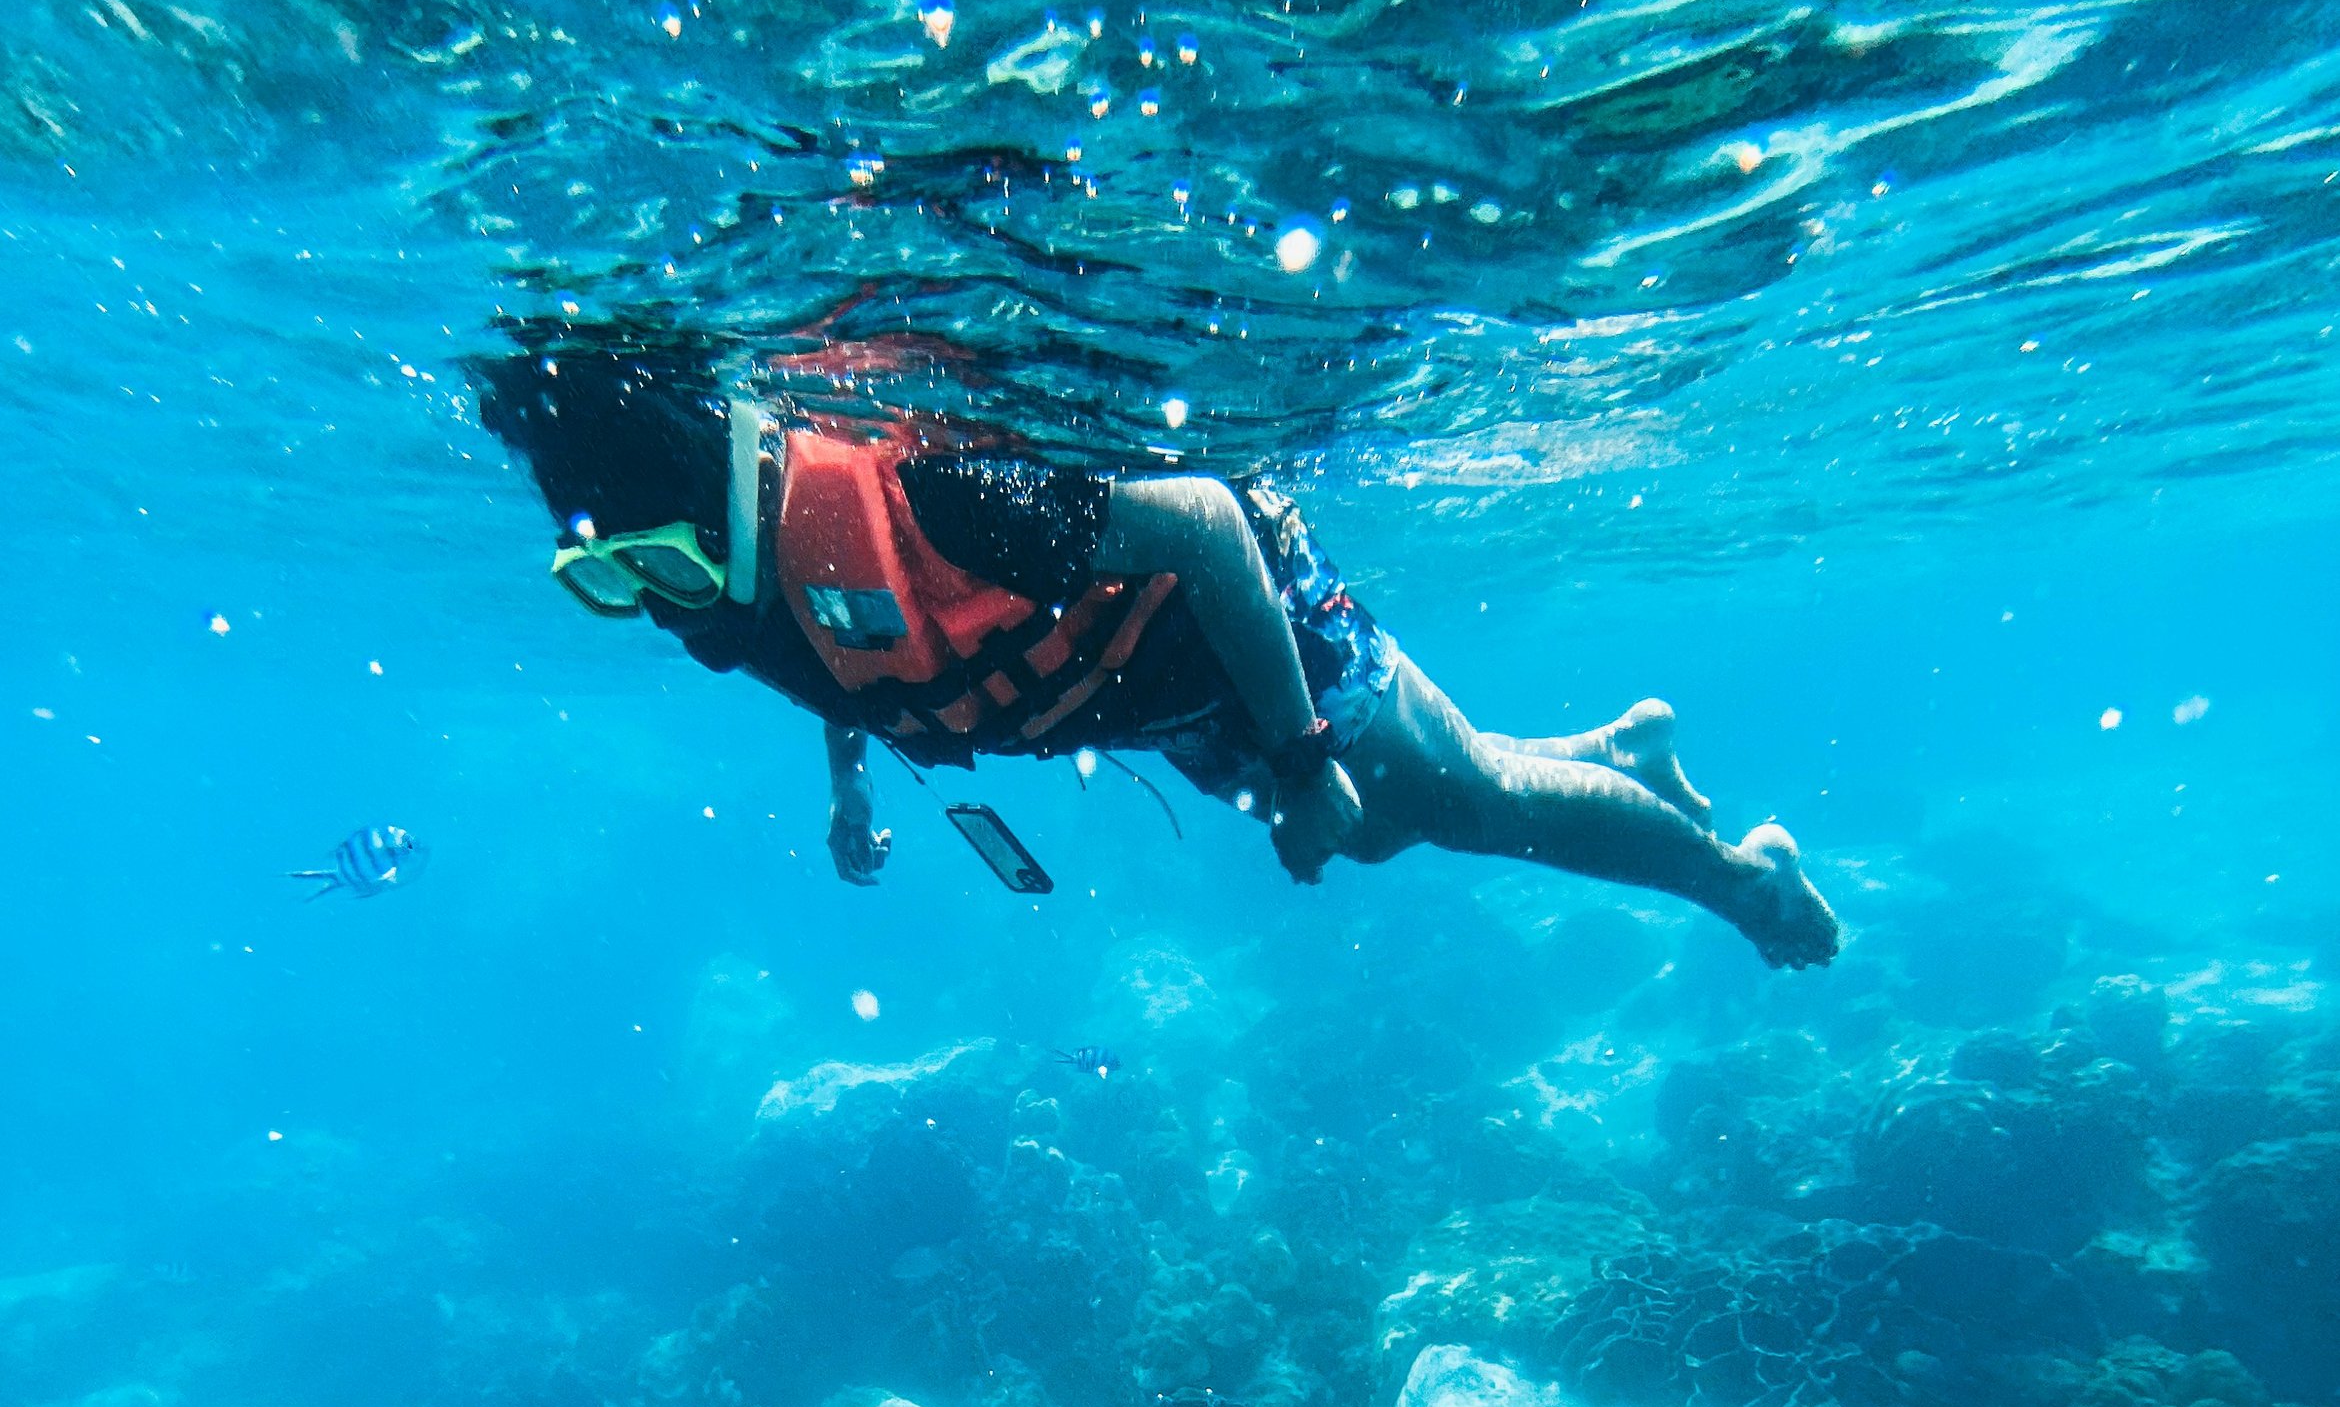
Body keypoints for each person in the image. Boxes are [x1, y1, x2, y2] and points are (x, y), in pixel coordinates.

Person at [480, 350, 1839, 970]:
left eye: (653, 566)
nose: (656, 607)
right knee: (1380, 836)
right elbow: (844, 662)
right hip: (1160, 690)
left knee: (1466, 801)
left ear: (717, 497)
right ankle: (1624, 754)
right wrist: (845, 788)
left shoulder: (944, 506)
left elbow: (1198, 521)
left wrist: (1303, 754)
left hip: (1241, 618)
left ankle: (1739, 878)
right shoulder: (749, 585)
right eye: (613, 586)